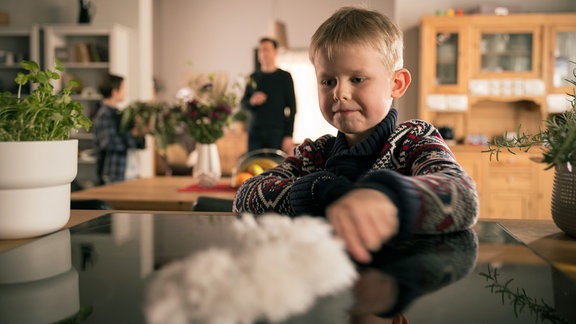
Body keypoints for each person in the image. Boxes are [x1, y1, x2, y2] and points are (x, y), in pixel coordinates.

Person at [233, 7, 479, 263]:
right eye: (328, 81)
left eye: (358, 79)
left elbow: (462, 196)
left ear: (397, 84)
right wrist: (320, 190)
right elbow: (246, 196)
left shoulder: (414, 140)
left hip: (396, 282)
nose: (340, 93)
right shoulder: (314, 154)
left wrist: (389, 197)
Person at [241, 37, 297, 154]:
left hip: (277, 133)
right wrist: (252, 101)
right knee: (254, 168)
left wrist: (288, 135)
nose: (263, 53)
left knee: (276, 168)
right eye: (261, 50)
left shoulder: (284, 77)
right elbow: (243, 104)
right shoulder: (253, 77)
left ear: (275, 52)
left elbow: (292, 108)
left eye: (267, 49)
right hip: (255, 133)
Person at [93, 74, 145, 184]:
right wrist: (132, 134)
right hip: (113, 173)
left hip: (125, 172)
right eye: (123, 89)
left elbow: (135, 144)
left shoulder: (119, 114)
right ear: (114, 92)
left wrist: (140, 132)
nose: (125, 92)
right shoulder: (104, 114)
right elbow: (109, 143)